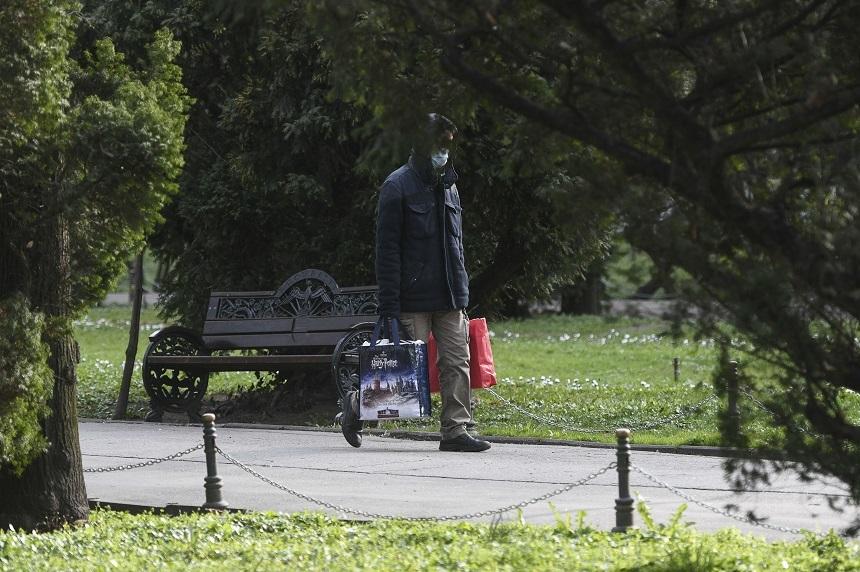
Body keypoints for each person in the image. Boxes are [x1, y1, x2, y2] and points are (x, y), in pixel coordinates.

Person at [341, 113, 490, 452]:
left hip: (450, 296)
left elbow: (457, 244)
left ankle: (455, 431)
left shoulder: (450, 185)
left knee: (457, 362)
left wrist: (462, 291)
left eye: (449, 144)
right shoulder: (397, 185)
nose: (445, 150)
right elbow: (387, 251)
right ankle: (355, 406)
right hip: (411, 298)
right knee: (400, 373)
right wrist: (389, 304)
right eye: (440, 143)